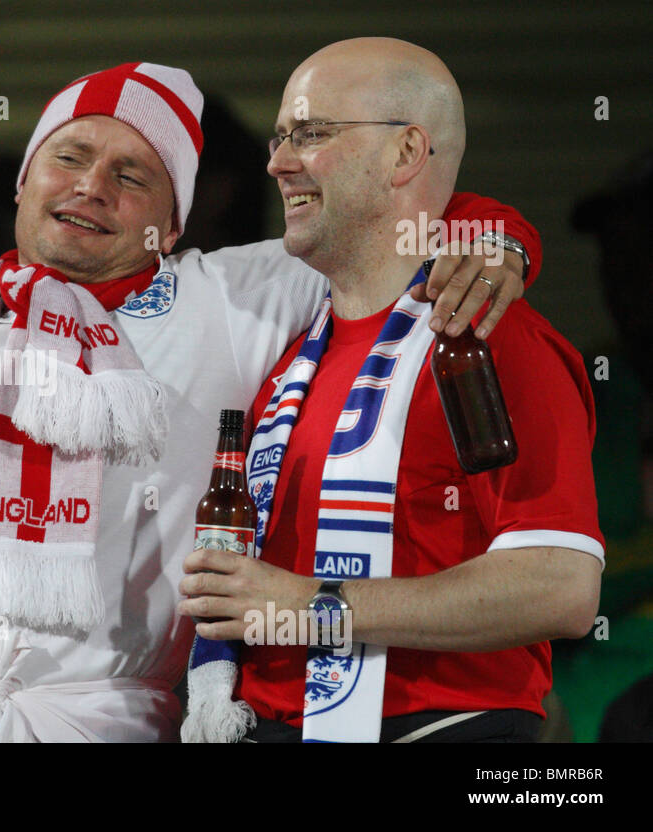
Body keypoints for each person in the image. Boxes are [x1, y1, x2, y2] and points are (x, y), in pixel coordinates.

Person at [0, 61, 538, 742]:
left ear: (176, 222)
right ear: (25, 181)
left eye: (133, 176)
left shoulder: (229, 303)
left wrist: (498, 244)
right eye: (68, 156)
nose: (91, 186)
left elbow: (407, 220)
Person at [175, 38, 603, 743]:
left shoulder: (490, 337)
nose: (278, 162)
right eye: (280, 137)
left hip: (436, 729)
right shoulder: (285, 351)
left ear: (407, 154)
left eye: (310, 134)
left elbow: (559, 587)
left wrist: (310, 604)